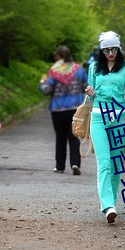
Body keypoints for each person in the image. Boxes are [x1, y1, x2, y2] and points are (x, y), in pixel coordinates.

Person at [85, 31, 125, 223]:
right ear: (101, 50)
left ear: (119, 48)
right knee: (105, 163)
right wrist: (90, 92)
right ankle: (107, 205)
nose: (110, 53)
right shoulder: (93, 68)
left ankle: (112, 201)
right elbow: (91, 97)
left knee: (116, 165)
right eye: (106, 50)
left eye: (113, 49)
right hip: (99, 118)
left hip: (119, 118)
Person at [39, 45, 88, 175]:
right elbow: (86, 87)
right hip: (75, 109)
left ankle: (60, 166)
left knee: (60, 138)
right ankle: (75, 163)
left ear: (58, 57)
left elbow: (47, 90)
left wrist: (42, 83)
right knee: (74, 137)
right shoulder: (79, 70)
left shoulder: (54, 71)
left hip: (58, 109)